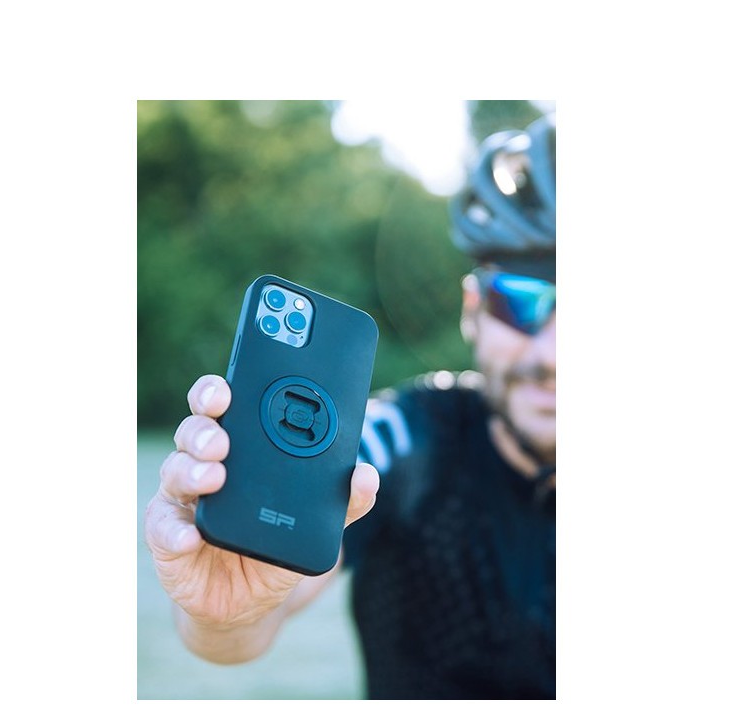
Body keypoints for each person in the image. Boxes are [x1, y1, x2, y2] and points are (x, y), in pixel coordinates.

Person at [144, 114, 556, 698]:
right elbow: (242, 631)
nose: (553, 354)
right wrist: (225, 614)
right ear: (473, 309)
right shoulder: (406, 435)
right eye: (520, 300)